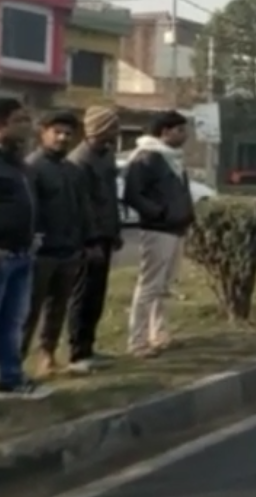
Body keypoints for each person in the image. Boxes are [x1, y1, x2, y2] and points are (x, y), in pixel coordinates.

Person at [0, 96, 53, 417]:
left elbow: (27, 200)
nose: (28, 126)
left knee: (11, 323)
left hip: (21, 256)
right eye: (20, 120)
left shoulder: (13, 160)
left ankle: (11, 380)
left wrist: (34, 235)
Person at [23, 111, 91, 375]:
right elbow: (29, 212)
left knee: (57, 309)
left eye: (68, 134)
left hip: (69, 251)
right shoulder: (32, 167)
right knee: (28, 312)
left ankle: (47, 357)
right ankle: (13, 367)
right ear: (44, 132)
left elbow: (82, 209)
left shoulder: (71, 170)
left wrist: (83, 241)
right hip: (41, 253)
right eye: (57, 132)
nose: (63, 138)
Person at [123, 111, 195, 357]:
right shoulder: (147, 158)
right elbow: (133, 194)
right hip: (157, 229)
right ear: (164, 131)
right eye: (179, 130)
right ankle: (138, 341)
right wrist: (159, 213)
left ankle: (159, 333)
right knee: (149, 286)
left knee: (164, 286)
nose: (184, 136)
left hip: (176, 228)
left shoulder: (173, 158)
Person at [66, 107, 123, 372]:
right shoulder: (79, 161)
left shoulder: (107, 156)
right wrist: (90, 242)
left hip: (107, 235)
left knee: (97, 296)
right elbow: (81, 207)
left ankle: (89, 346)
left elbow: (110, 198)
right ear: (99, 128)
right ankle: (77, 352)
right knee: (82, 294)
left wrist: (115, 231)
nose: (117, 132)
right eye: (112, 126)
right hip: (89, 240)